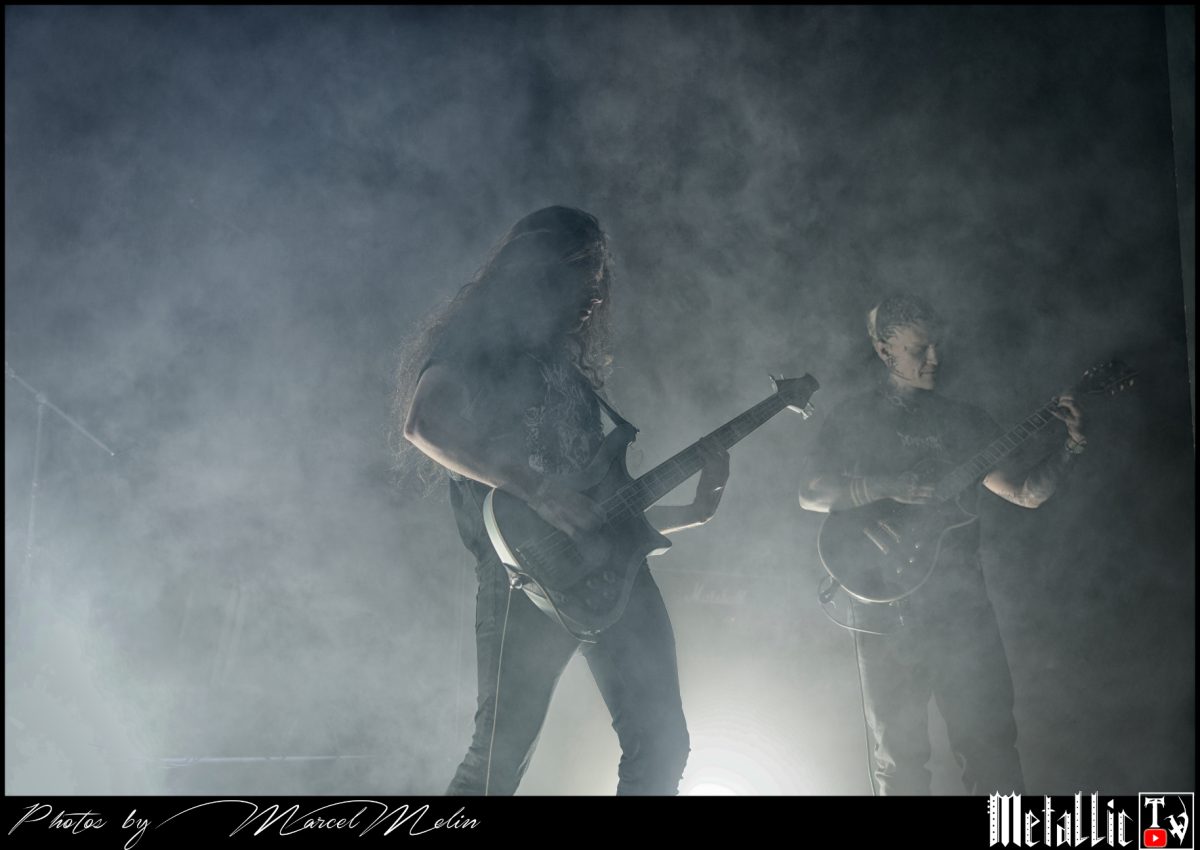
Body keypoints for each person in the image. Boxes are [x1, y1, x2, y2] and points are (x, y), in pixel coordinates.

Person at [393, 206, 730, 795]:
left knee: (662, 743)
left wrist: (692, 513)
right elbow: (425, 424)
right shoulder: (479, 342)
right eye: (582, 274)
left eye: (600, 279)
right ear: (537, 271)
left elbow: (597, 513)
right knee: (495, 763)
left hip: (613, 577)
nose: (595, 295)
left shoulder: (566, 370)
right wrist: (536, 488)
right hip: (522, 575)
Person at [797, 292, 1087, 795]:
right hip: (883, 608)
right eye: (918, 349)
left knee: (993, 752)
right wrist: (888, 485)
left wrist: (1074, 444)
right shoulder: (854, 416)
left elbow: (1025, 493)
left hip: (964, 608)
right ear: (884, 351)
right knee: (900, 761)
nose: (934, 358)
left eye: (937, 346)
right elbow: (811, 493)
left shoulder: (967, 421)